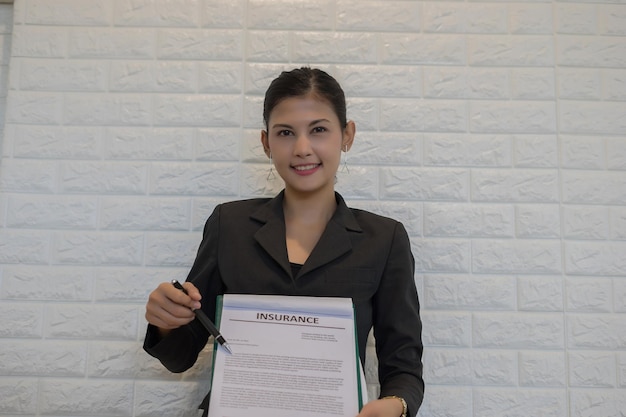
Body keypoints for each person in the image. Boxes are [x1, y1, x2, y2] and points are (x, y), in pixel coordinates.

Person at [144, 67, 424, 417]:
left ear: (347, 135)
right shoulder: (229, 225)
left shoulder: (385, 239)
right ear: (266, 143)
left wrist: (396, 405)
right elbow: (180, 357)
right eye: (286, 133)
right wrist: (166, 322)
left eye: (319, 130)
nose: (302, 148)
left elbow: (404, 365)